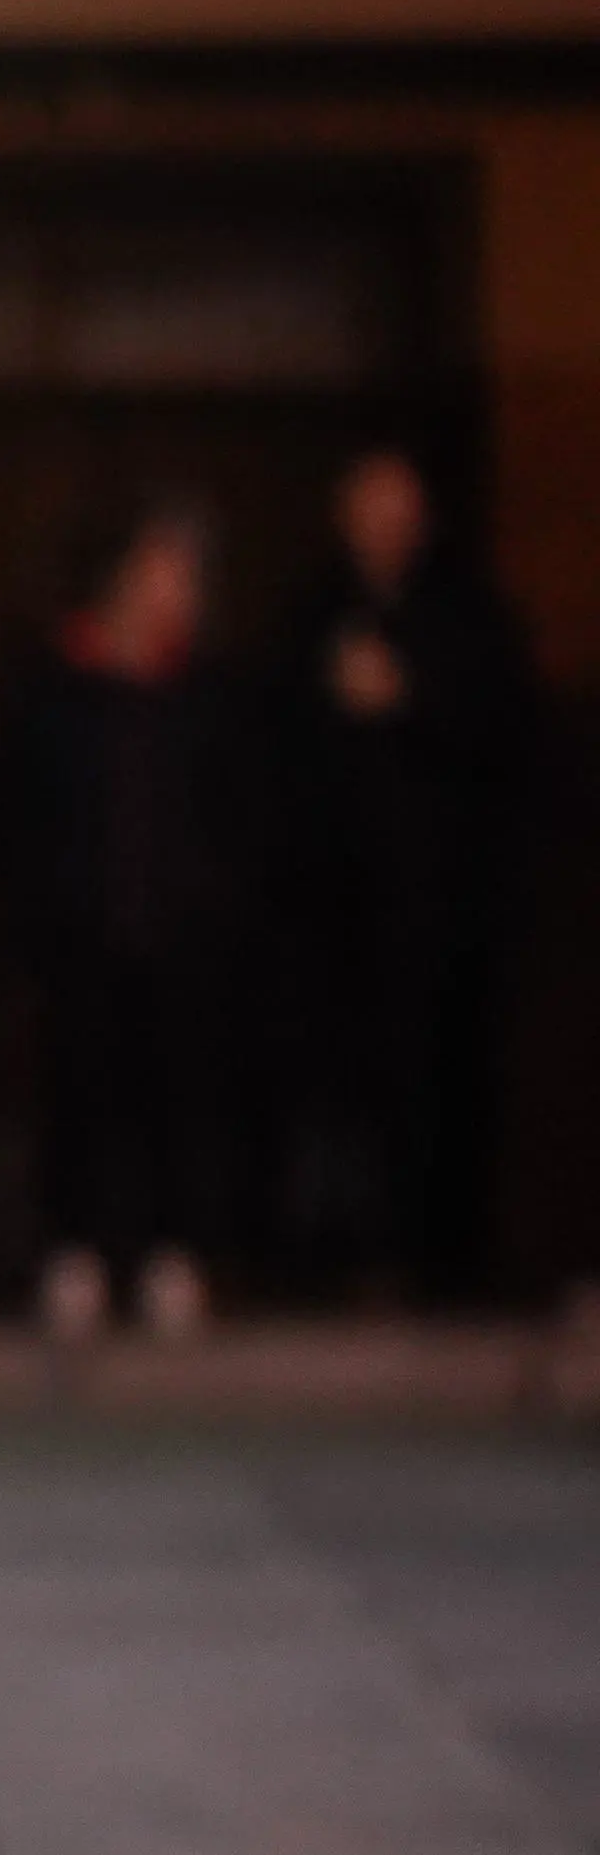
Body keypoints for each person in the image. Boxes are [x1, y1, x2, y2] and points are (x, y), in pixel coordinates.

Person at [278, 448, 532, 1303]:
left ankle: (447, 1263)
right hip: (334, 907)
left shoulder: (467, 614)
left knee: (444, 1081)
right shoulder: (315, 614)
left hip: (443, 902)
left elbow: (506, 737)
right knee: (342, 1089)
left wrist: (408, 695)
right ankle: (345, 1258)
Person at [1, 503, 259, 1343]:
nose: (175, 593)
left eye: (186, 578)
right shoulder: (57, 690)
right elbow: (17, 817)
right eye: (161, 572)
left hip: (183, 941)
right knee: (79, 1096)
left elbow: (239, 818)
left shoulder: (209, 695)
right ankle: (74, 1255)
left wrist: (215, 904)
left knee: (179, 1099)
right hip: (79, 936)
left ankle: (173, 1259)